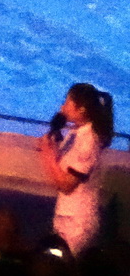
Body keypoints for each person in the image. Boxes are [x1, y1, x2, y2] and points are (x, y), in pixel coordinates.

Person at [37, 82, 114, 256]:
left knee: (68, 268)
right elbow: (62, 167)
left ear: (81, 109)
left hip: (78, 221)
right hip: (64, 214)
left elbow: (66, 184)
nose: (62, 107)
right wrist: (52, 145)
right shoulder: (75, 132)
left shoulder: (89, 141)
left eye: (67, 102)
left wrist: (47, 155)